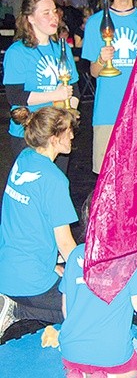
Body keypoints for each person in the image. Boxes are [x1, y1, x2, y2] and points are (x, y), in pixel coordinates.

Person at [59, 197, 137, 378]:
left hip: (71, 349)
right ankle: (108, 377)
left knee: (81, 360)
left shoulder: (76, 254)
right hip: (111, 355)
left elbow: (66, 310)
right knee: (136, 370)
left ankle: (79, 372)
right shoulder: (131, 258)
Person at [0, 107, 78, 339]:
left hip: (8, 269)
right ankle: (17, 309)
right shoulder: (54, 180)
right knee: (90, 310)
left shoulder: (24, 158)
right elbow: (66, 245)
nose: (72, 135)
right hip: (31, 281)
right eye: (68, 131)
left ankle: (11, 304)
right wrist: (86, 278)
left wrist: (49, 265)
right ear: (55, 139)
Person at [82, 0, 137, 174]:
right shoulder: (95, 23)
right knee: (108, 179)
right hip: (108, 112)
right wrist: (102, 60)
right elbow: (93, 72)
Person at [2, 0, 79, 168]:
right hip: (28, 133)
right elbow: (15, 96)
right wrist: (55, 95)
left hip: (57, 131)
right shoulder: (18, 52)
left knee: (56, 184)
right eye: (46, 13)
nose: (54, 17)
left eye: (54, 11)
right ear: (30, 18)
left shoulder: (62, 47)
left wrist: (67, 115)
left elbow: (74, 88)